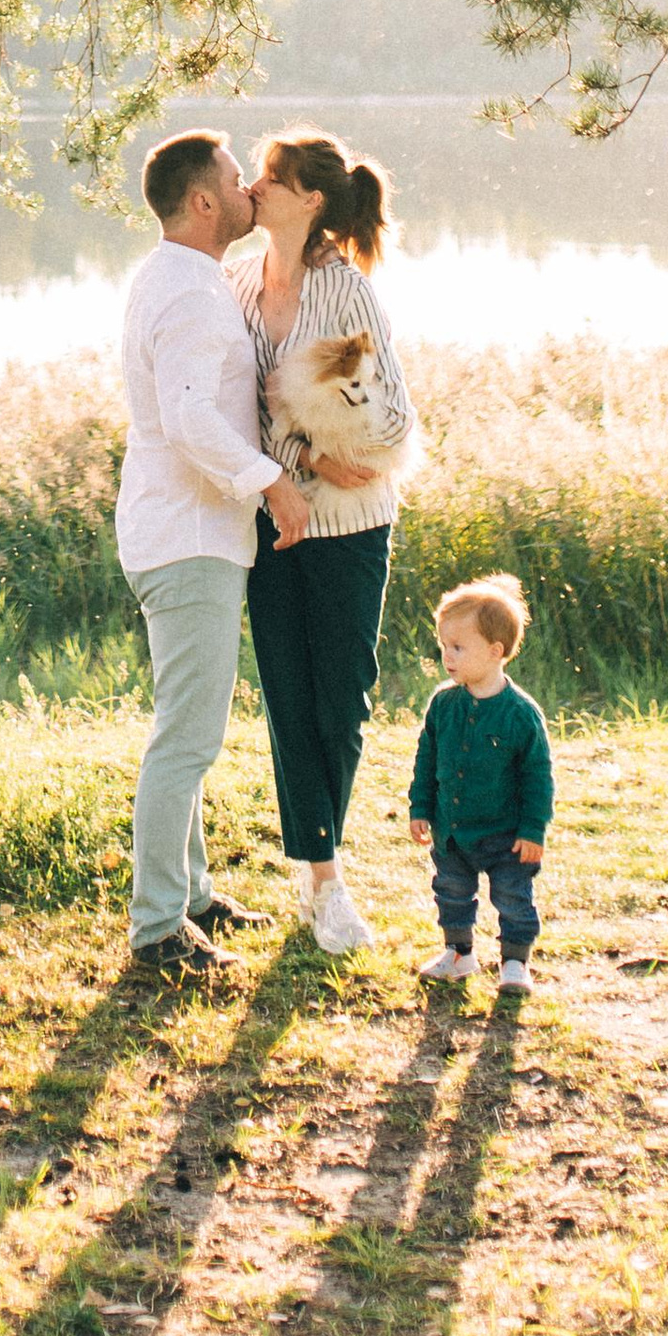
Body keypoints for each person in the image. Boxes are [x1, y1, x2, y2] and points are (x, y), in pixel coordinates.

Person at [116, 129, 314, 978]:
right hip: (190, 537)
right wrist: (272, 481)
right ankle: (158, 928)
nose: (248, 190)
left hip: (180, 531)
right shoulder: (193, 296)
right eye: (237, 180)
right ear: (204, 201)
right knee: (187, 740)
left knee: (188, 730)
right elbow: (192, 418)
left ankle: (193, 899)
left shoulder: (173, 277)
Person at [229, 130, 415, 955]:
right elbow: (244, 414)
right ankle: (325, 878)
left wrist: (327, 445)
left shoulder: (344, 294)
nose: (256, 187)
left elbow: (395, 421)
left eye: (273, 178)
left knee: (339, 703)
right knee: (287, 699)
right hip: (268, 525)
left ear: (310, 200)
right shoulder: (236, 283)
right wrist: (301, 454)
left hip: (350, 526)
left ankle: (318, 863)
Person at [408, 571, 554, 994]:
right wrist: (421, 808)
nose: (447, 656)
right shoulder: (443, 704)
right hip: (453, 829)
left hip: (507, 835)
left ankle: (514, 963)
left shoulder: (520, 714)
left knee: (513, 897)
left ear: (495, 651)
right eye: (442, 646)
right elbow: (427, 758)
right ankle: (458, 953)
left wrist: (532, 829)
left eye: (457, 647)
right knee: (451, 891)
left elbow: (537, 778)